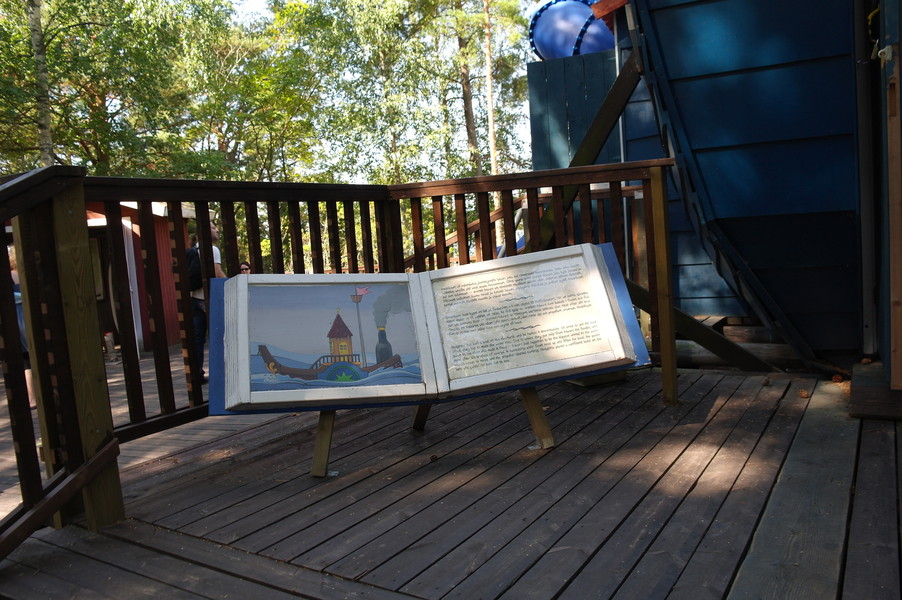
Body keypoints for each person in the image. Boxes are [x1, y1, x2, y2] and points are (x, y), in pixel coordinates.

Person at [190, 224, 225, 384]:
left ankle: (196, 374)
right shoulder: (212, 249)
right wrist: (232, 284)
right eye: (212, 227)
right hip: (208, 299)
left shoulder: (193, 250)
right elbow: (218, 274)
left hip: (194, 298)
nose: (216, 229)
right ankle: (221, 373)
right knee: (219, 335)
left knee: (198, 339)